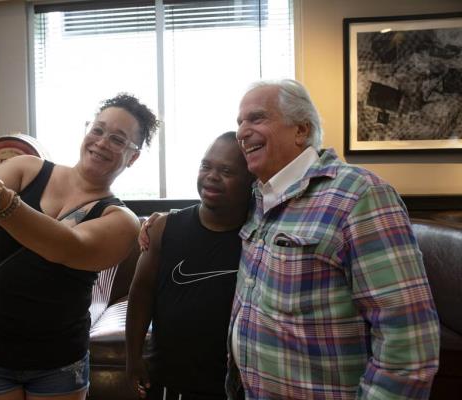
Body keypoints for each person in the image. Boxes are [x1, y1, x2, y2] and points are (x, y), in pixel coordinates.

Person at [0, 93, 158, 400]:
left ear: (133, 157)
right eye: (98, 129)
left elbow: (64, 246)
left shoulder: (121, 221)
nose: (102, 142)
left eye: (118, 139)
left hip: (59, 362)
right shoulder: (27, 169)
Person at [227, 79, 440, 399]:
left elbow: (409, 343)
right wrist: (163, 221)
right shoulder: (259, 195)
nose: (241, 132)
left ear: (301, 130)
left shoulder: (360, 194)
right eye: (239, 122)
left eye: (257, 118)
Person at [126, 132, 254, 400]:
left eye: (226, 170)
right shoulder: (163, 228)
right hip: (169, 380)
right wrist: (133, 358)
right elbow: (141, 295)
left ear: (251, 181)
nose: (211, 176)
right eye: (206, 166)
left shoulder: (259, 235)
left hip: (233, 384)